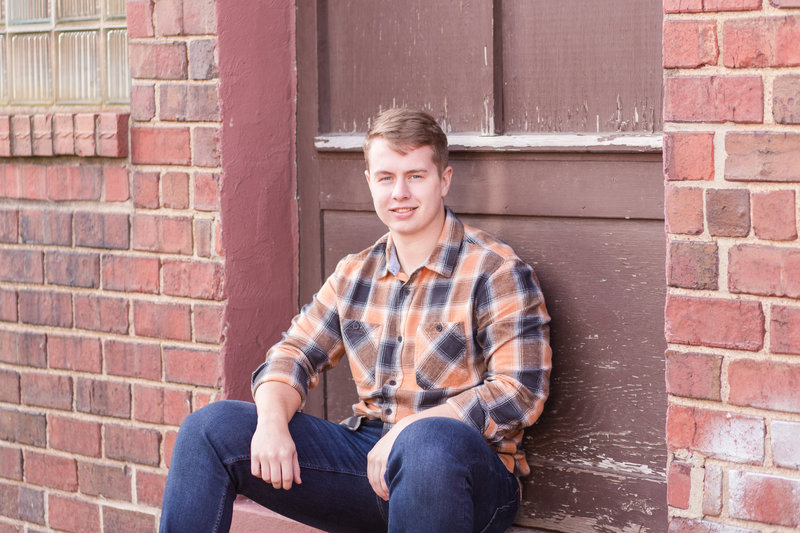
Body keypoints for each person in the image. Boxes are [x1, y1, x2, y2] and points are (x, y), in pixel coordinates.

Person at [160, 108, 552, 533]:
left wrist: (411, 430)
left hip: (464, 475)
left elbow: (520, 391)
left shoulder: (494, 270)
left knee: (426, 444)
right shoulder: (355, 273)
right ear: (370, 183)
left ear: (445, 180)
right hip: (367, 462)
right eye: (386, 177)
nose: (400, 192)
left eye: (415, 176)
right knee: (208, 431)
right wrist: (271, 421)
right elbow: (294, 353)